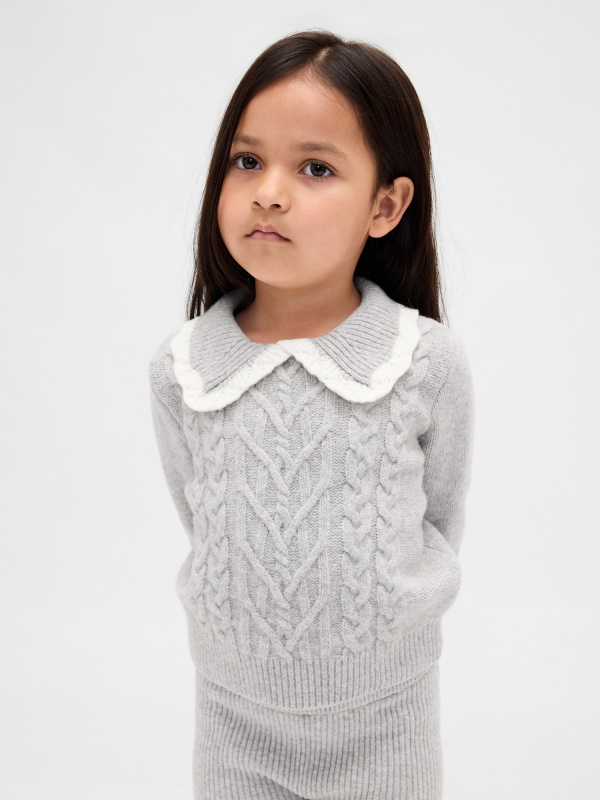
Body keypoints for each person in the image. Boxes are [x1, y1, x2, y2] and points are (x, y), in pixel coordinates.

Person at [148, 29, 475, 800]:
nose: (269, 191)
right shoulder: (183, 370)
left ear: (386, 206)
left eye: (316, 168)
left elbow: (438, 521)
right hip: (233, 722)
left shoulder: (423, 362)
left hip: (385, 721)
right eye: (247, 160)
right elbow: (201, 519)